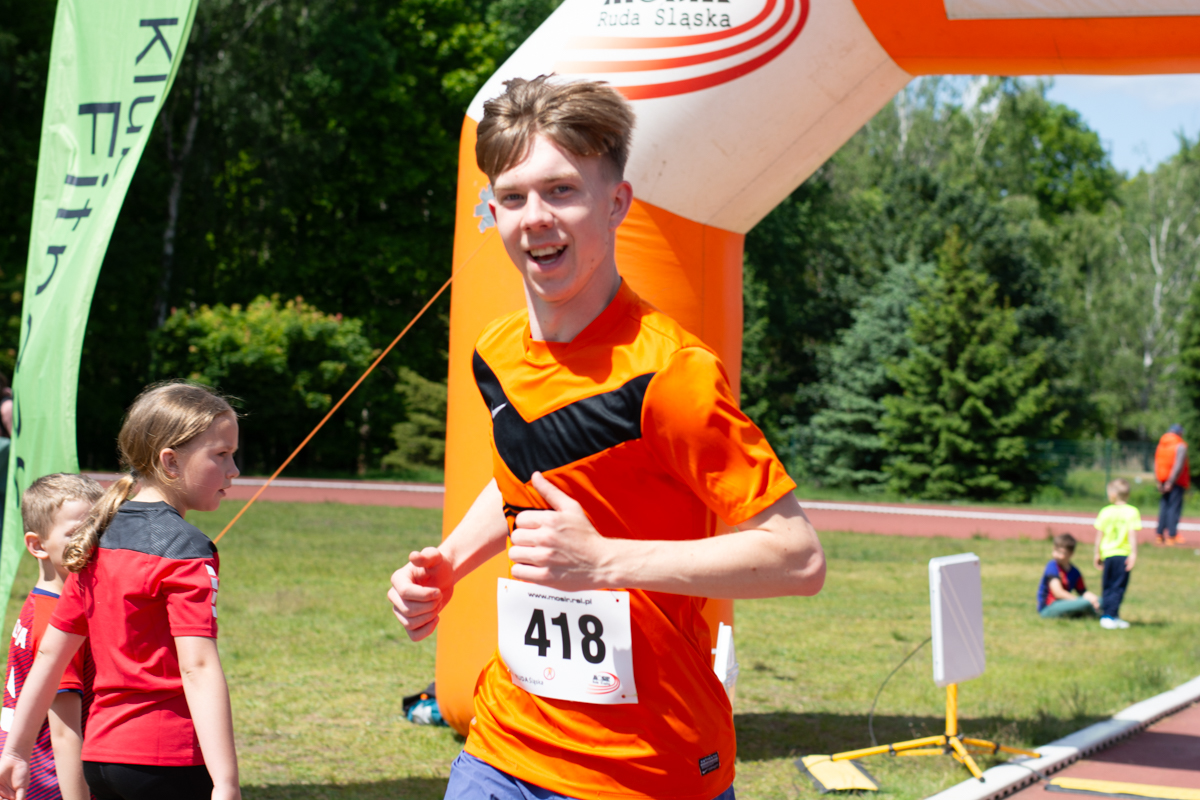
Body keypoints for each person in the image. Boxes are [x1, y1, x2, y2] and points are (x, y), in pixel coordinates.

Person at [388, 76, 826, 800]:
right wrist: (448, 566)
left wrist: (604, 561)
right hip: (504, 749)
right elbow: (523, 476)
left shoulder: (672, 372)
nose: (536, 218)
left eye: (561, 191)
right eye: (514, 197)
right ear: (491, 211)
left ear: (616, 203)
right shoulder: (496, 351)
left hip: (650, 768)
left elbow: (797, 557)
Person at [0, 382, 242, 800]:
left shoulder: (97, 538)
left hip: (100, 762)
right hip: (167, 762)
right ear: (170, 461)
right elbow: (197, 667)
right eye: (221, 454)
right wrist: (226, 782)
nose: (233, 469)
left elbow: (51, 654)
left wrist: (16, 750)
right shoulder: (186, 549)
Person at [0, 474, 103, 800]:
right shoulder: (57, 622)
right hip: (49, 784)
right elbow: (64, 734)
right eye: (77, 533)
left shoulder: (39, 603)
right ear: (37, 545)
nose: (93, 542)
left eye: (101, 530)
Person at [1094, 478, 1140, 630]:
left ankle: (1113, 615)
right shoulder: (1132, 511)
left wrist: (1097, 553)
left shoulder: (1105, 511)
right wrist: (1133, 554)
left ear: (1112, 494)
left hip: (1108, 554)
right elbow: (1132, 535)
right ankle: (1108, 616)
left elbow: (1099, 535)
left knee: (1108, 585)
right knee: (1118, 587)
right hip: (1123, 555)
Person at [1036, 532, 1099, 619]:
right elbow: (1058, 593)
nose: (1056, 555)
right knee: (1085, 603)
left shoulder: (1075, 572)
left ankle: (1093, 612)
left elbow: (1083, 592)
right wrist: (1080, 601)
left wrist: (1094, 599)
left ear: (1071, 553)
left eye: (1061, 552)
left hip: (1066, 604)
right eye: (1055, 551)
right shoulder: (1052, 566)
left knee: (1101, 601)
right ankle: (1092, 613)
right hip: (1049, 607)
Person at [1154, 423, 1189, 545]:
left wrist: (1158, 481)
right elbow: (1178, 465)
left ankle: (1159, 534)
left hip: (1162, 479)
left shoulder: (1161, 444)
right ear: (1179, 433)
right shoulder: (1180, 445)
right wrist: (1171, 481)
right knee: (1174, 508)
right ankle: (1172, 535)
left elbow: (1156, 463)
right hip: (1176, 481)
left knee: (1164, 506)